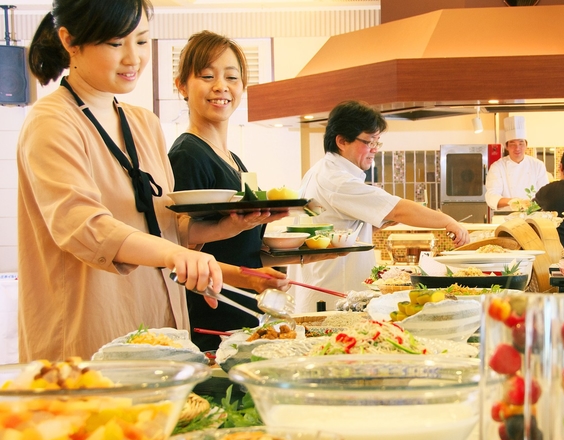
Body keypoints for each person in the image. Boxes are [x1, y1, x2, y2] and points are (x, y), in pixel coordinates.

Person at [17, 0, 231, 361]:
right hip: (89, 330)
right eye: (116, 44)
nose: (133, 58)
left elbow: (162, 227)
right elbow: (84, 227)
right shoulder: (51, 122)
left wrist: (229, 224)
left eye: (142, 42)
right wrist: (174, 253)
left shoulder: (143, 122)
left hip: (161, 324)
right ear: (70, 41)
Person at [169, 31, 336, 349]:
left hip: (240, 312)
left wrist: (294, 256)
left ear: (242, 87)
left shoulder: (234, 160)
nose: (221, 86)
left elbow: (240, 243)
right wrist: (248, 276)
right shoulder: (186, 154)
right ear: (182, 86)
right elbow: (181, 246)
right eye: (207, 76)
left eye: (231, 77)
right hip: (210, 315)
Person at [289, 100, 470, 313]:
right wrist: (449, 222)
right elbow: (398, 209)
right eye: (369, 141)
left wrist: (371, 224)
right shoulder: (337, 180)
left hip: (325, 290)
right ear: (342, 141)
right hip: (335, 295)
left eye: (377, 142)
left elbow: (334, 231)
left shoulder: (321, 170)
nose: (374, 149)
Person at [484, 116, 549, 210]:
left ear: (526, 145)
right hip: (505, 217)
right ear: (507, 146)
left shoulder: (538, 165)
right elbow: (491, 196)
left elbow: (545, 195)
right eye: (512, 144)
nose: (517, 148)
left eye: (521, 143)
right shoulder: (498, 167)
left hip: (533, 216)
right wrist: (513, 202)